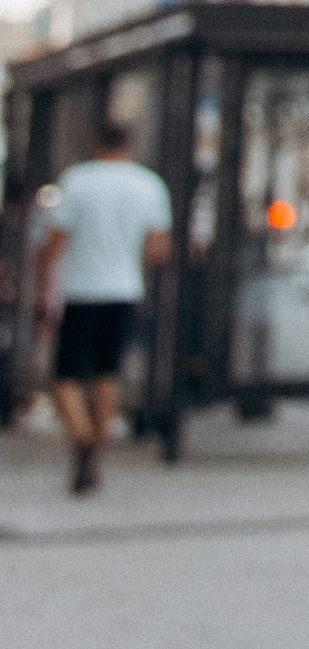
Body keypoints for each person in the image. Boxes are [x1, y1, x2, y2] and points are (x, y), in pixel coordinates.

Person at [38, 116, 172, 496]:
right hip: (125, 290)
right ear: (130, 144)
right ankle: (96, 450)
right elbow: (159, 247)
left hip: (80, 291)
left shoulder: (77, 180)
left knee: (65, 376)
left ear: (96, 143)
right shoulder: (149, 185)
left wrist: (40, 287)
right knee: (107, 373)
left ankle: (80, 438)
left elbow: (55, 241)